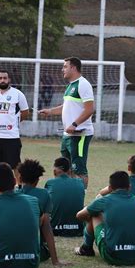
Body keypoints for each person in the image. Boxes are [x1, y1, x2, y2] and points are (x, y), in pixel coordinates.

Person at [39, 57, 95, 188]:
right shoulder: (71, 86)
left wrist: (74, 124)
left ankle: (80, 197)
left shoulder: (83, 84)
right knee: (65, 168)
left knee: (79, 169)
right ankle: (69, 193)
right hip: (67, 135)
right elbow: (66, 107)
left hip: (79, 135)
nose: (62, 69)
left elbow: (89, 109)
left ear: (73, 68)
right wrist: (50, 111)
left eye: (65, 66)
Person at [74, 171, 135, 266]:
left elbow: (79, 215)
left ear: (110, 188)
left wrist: (89, 221)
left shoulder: (104, 201)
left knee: (95, 214)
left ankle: (86, 248)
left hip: (113, 256)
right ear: (129, 187)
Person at [16, 159, 64, 265]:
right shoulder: (44, 194)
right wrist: (55, 260)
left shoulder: (13, 194)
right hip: (36, 252)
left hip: (10, 250)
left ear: (19, 178)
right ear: (37, 180)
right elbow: (46, 228)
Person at [0, 70, 29, 169]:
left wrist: (14, 122)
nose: (3, 80)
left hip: (12, 136)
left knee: (15, 165)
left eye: (5, 78)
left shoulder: (17, 94)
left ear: (9, 79)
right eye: (0, 78)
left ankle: (19, 185)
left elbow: (25, 112)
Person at [44, 157, 85, 237]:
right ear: (69, 170)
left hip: (54, 229)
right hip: (77, 229)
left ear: (56, 170)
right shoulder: (80, 183)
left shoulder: (50, 183)